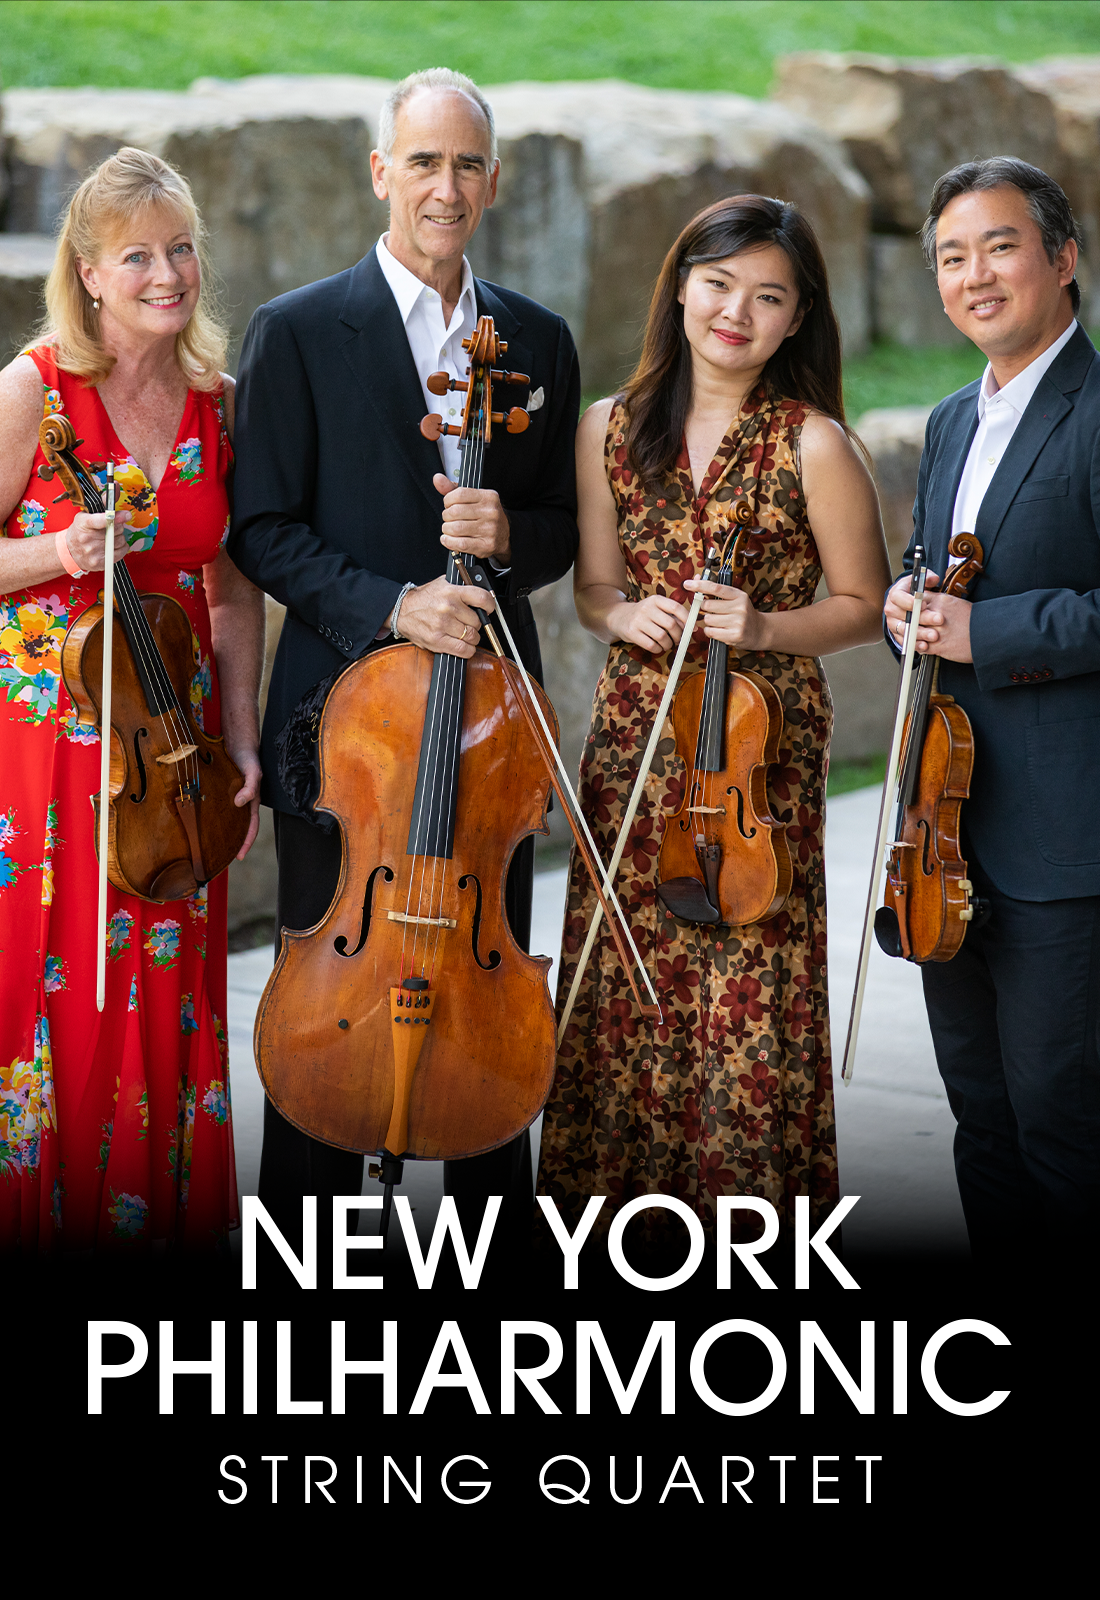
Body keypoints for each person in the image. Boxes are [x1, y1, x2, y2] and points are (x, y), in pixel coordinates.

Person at [229, 68, 580, 1242]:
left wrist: (508, 538)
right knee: (326, 1024)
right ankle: (305, 1274)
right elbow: (262, 528)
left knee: (487, 1018)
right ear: (381, 171)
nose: (445, 185)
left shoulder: (532, 338)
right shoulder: (294, 329)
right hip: (347, 737)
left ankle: (493, 1283)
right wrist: (394, 604)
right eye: (421, 161)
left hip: (486, 738)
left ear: (494, 179)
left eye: (466, 163)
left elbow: (558, 538)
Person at [537, 194, 891, 1242]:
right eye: (718, 283)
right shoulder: (605, 426)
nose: (735, 310)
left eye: (766, 296)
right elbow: (592, 589)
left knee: (745, 1001)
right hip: (633, 745)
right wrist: (623, 610)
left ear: (796, 318)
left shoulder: (814, 444)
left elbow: (865, 608)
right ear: (680, 286)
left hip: (751, 762)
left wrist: (766, 625)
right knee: (622, 992)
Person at [0, 146, 264, 1252]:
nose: (168, 273)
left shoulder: (217, 400)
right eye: (138, 255)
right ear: (90, 272)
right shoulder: (33, 387)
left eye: (181, 248)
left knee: (160, 992)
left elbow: (233, 590)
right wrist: (60, 547)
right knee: (49, 993)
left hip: (170, 753)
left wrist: (238, 742)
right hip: (49, 750)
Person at [883, 158, 1100, 1264]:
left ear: (1062, 260)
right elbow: (936, 581)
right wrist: (903, 606)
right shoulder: (949, 420)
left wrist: (990, 632)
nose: (974, 275)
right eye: (951, 256)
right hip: (943, 838)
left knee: (1065, 1130)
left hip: (1063, 843)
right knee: (981, 1119)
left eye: (999, 246)